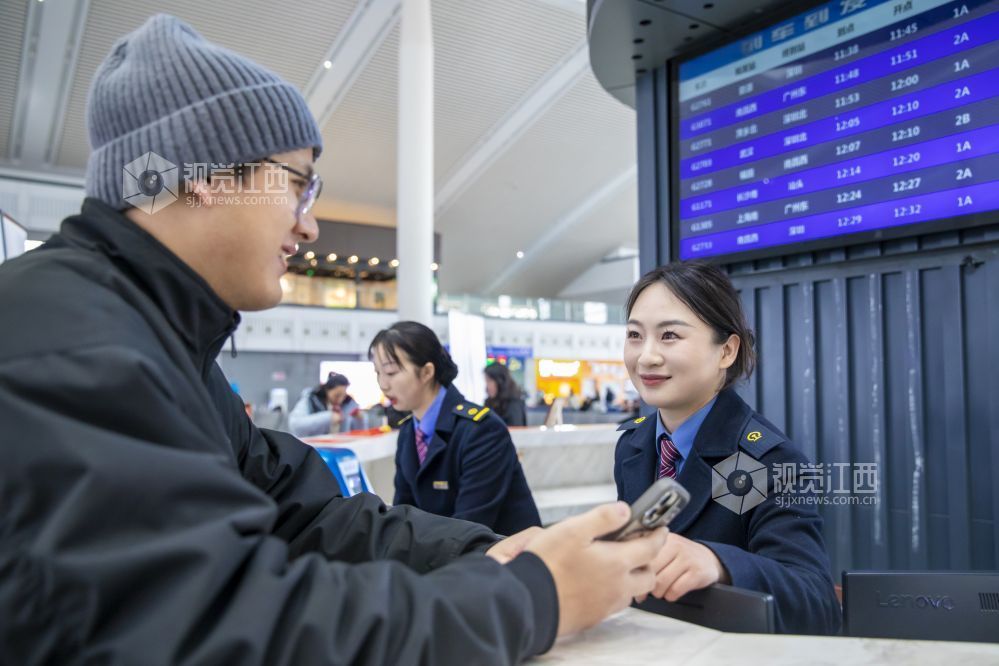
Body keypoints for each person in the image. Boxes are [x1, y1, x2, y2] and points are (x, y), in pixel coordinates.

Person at [0, 15, 670, 664]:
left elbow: (307, 518)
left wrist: (490, 555)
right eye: (299, 184)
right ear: (202, 174)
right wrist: (530, 598)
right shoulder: (72, 343)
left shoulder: (160, 343)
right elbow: (223, 628)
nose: (310, 225)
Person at [614, 261, 841, 635]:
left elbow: (815, 601)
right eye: (635, 335)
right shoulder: (633, 447)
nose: (646, 356)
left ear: (727, 351)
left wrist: (718, 562)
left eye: (670, 335)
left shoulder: (761, 461)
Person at [371, 322, 540, 534]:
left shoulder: (481, 430)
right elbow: (404, 516)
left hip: (501, 560)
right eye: (377, 373)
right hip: (445, 557)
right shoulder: (408, 433)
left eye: (391, 372)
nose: (383, 384)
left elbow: (470, 528)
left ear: (426, 372)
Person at [288, 371, 362, 436]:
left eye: (343, 396)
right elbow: (295, 425)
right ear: (327, 390)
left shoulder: (347, 405)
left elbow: (359, 434)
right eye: (336, 395)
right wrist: (329, 417)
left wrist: (359, 419)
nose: (340, 400)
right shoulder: (311, 400)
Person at [484, 362, 528, 427]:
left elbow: (515, 432)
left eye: (490, 381)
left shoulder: (513, 404)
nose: (487, 386)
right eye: (486, 381)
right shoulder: (489, 402)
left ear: (500, 381)